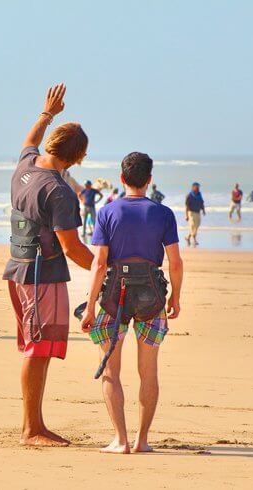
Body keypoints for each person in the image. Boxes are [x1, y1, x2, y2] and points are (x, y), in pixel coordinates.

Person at [2, 83, 93, 447]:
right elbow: (72, 247)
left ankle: (34, 425)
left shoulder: (25, 167)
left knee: (35, 347)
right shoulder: (59, 191)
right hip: (42, 276)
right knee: (38, 349)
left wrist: (46, 113)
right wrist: (106, 267)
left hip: (18, 269)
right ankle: (32, 429)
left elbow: (29, 140)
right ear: (79, 157)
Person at [80, 152, 183, 454]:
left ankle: (120, 440)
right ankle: (142, 441)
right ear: (150, 180)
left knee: (111, 371)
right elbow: (175, 262)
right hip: (152, 296)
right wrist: (176, 296)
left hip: (114, 297)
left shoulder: (108, 212)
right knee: (148, 372)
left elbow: (99, 264)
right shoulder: (163, 214)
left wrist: (88, 307)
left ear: (122, 178)